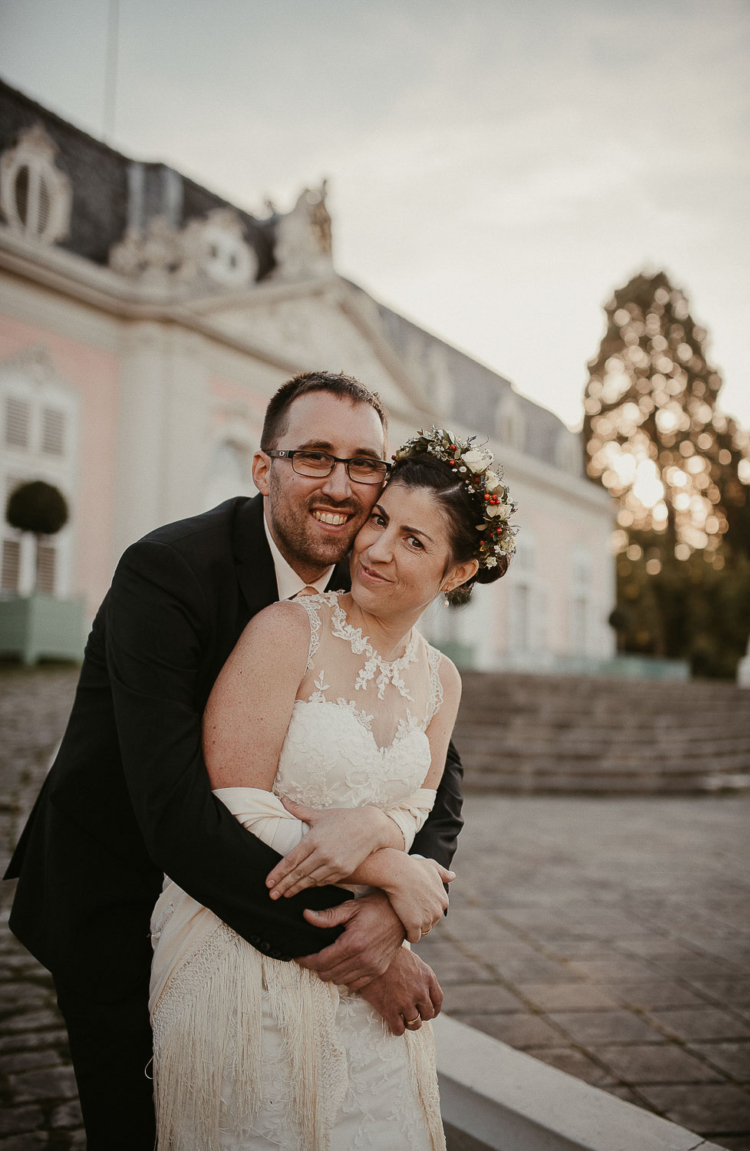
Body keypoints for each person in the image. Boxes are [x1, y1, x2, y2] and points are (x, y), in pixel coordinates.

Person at [5, 374, 467, 1151]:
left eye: (365, 465)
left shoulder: (366, 578)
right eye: (315, 456)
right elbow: (175, 814)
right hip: (119, 898)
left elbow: (436, 773)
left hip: (266, 897)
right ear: (263, 469)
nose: (342, 486)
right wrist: (360, 951)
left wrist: (395, 904)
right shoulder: (167, 572)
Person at [149, 426, 517, 1149]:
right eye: (380, 520)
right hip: (240, 945)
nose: (377, 548)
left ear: (457, 570)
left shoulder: (442, 680)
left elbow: (417, 806)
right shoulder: (288, 630)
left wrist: (383, 858)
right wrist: (387, 868)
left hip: (367, 966)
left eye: (415, 540)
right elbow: (237, 802)